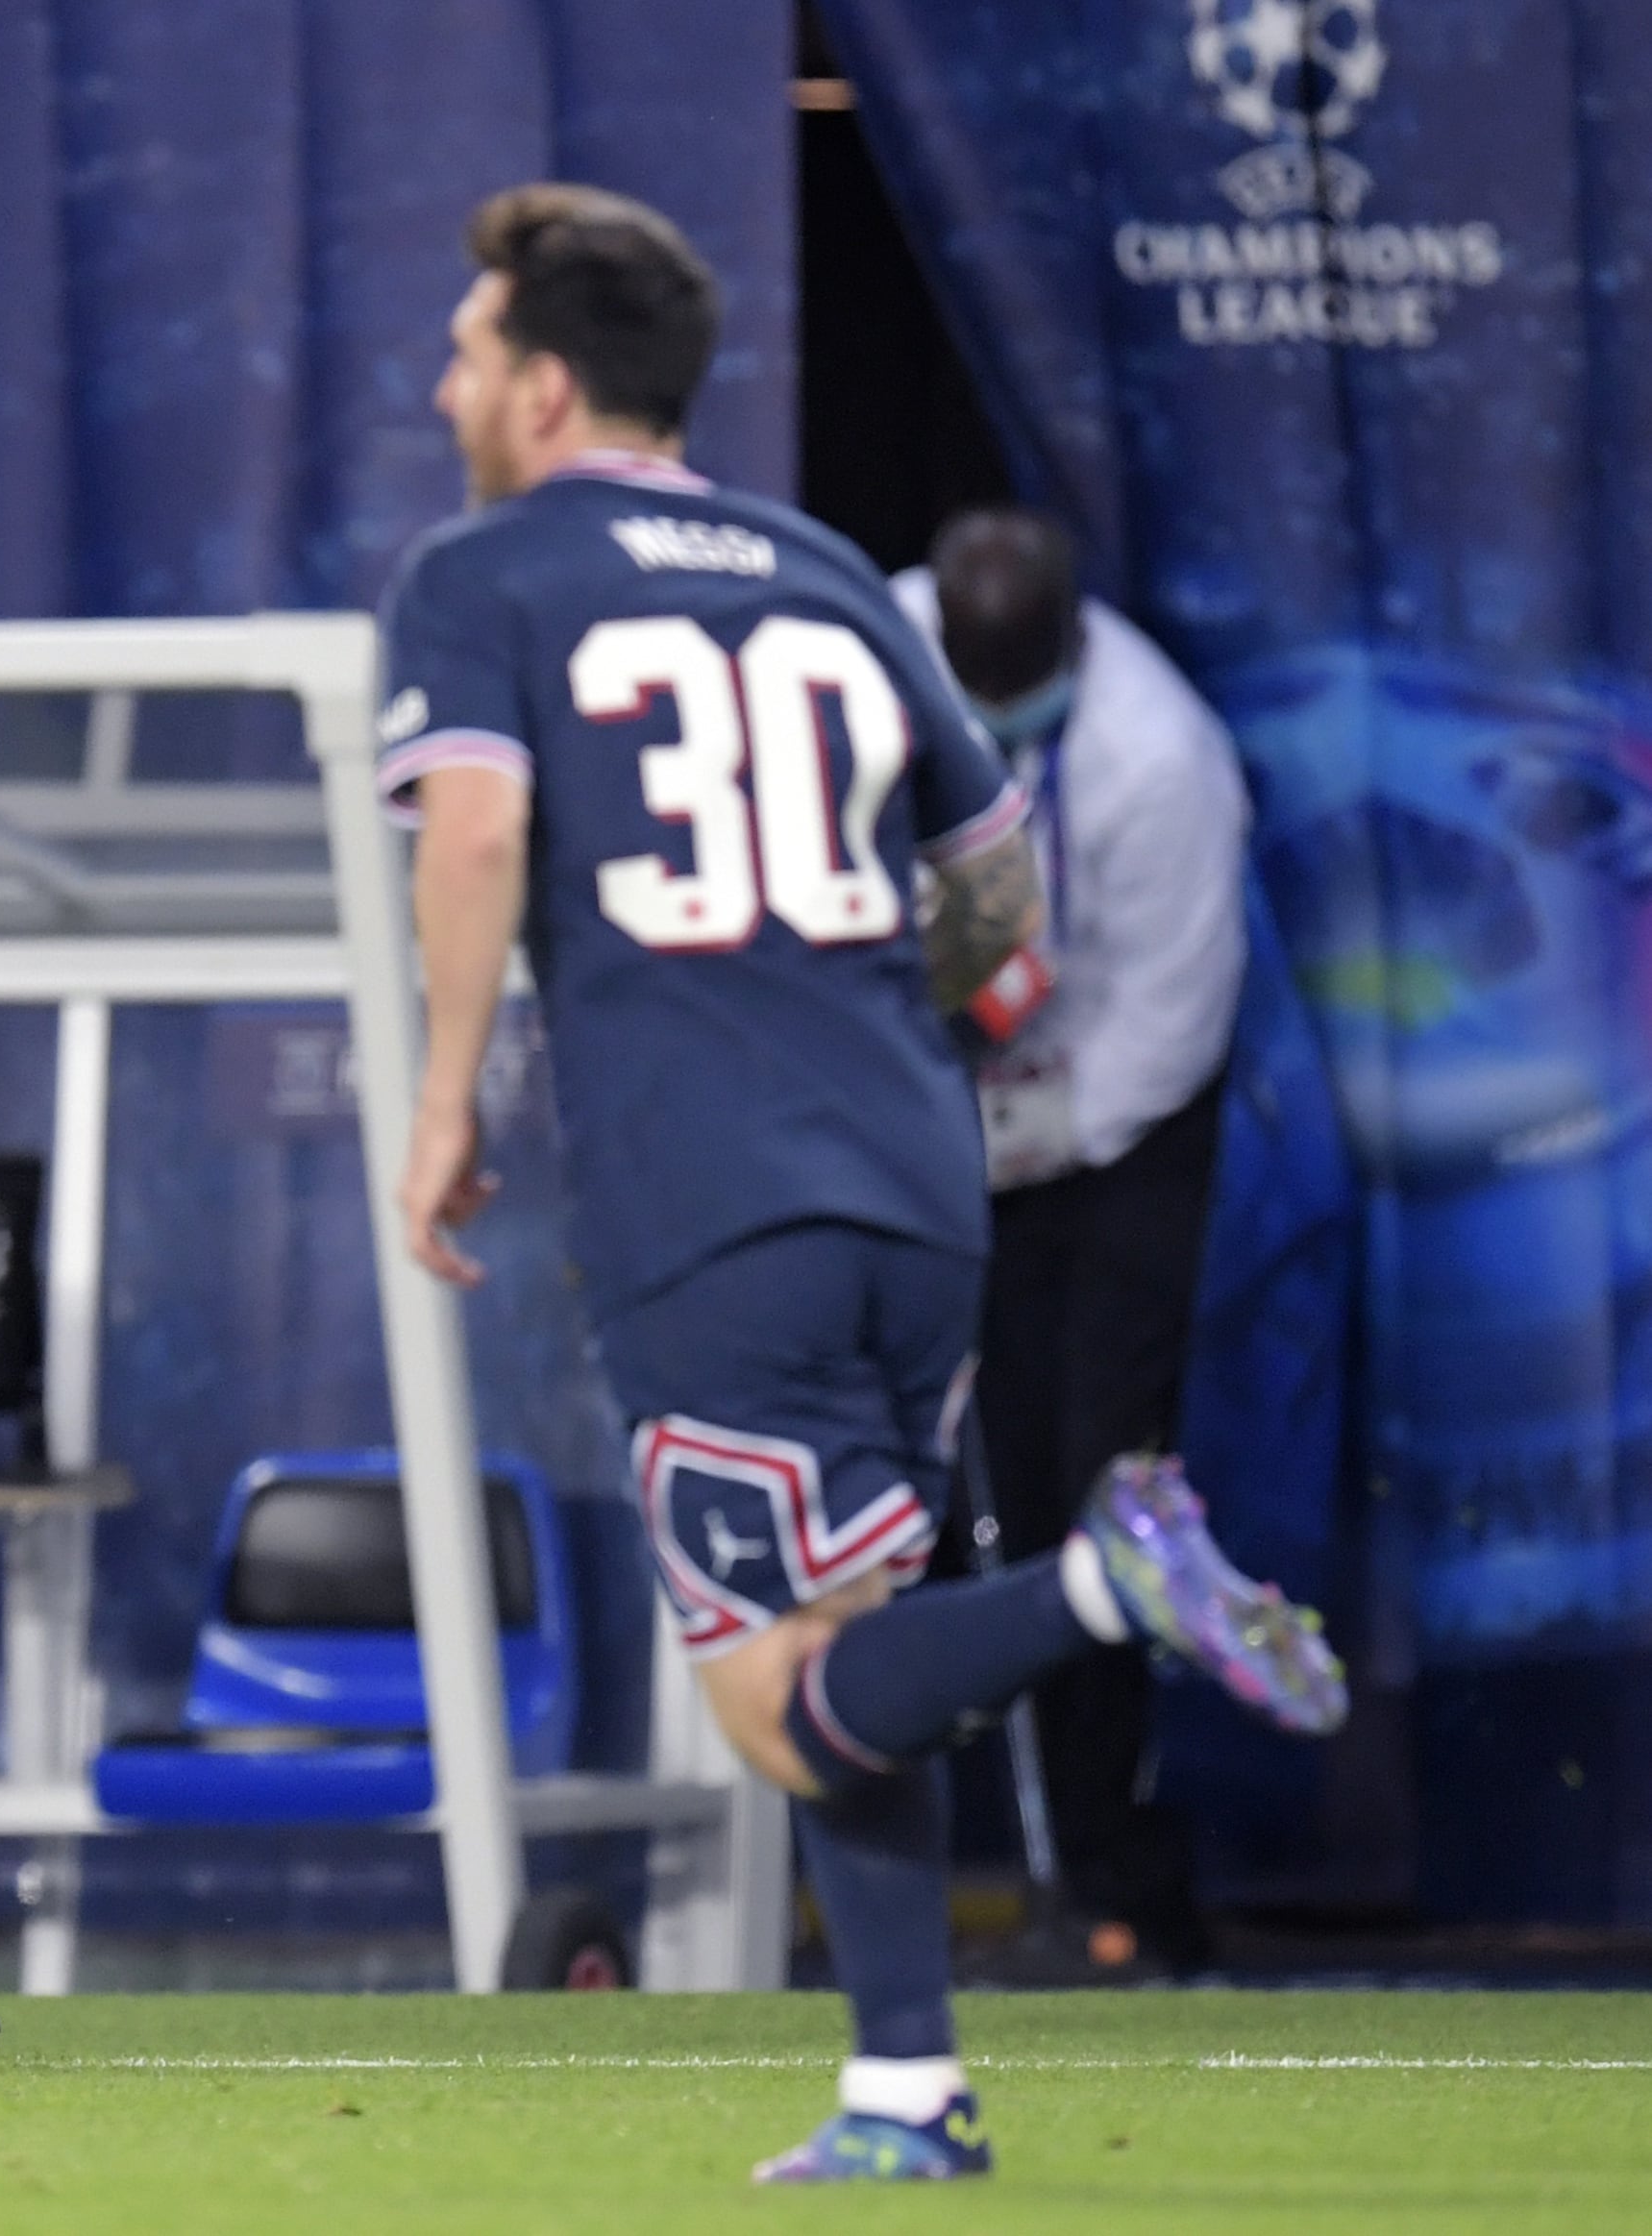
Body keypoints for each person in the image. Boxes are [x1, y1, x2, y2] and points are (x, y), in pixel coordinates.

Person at [382, 184, 1343, 2182]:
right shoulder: (822, 571)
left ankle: (1103, 1574)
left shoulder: (481, 575)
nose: (442, 379)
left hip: (704, 1188)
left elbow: (468, 835)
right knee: (855, 1644)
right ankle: (903, 2083)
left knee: (771, 1701)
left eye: (468, 349)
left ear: (545, 388)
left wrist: (443, 1093)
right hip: (916, 1173)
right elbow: (994, 878)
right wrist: (917, 1025)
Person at [894, 509, 1251, 1978]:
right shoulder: (868, 652)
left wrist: (1007, 1143)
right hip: (908, 1086)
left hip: (1104, 1126)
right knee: (884, 1473)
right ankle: (882, 1865)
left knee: (1089, 1480)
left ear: (1066, 655)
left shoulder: (1156, 763)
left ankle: (1113, 1881)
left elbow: (1160, 1038)